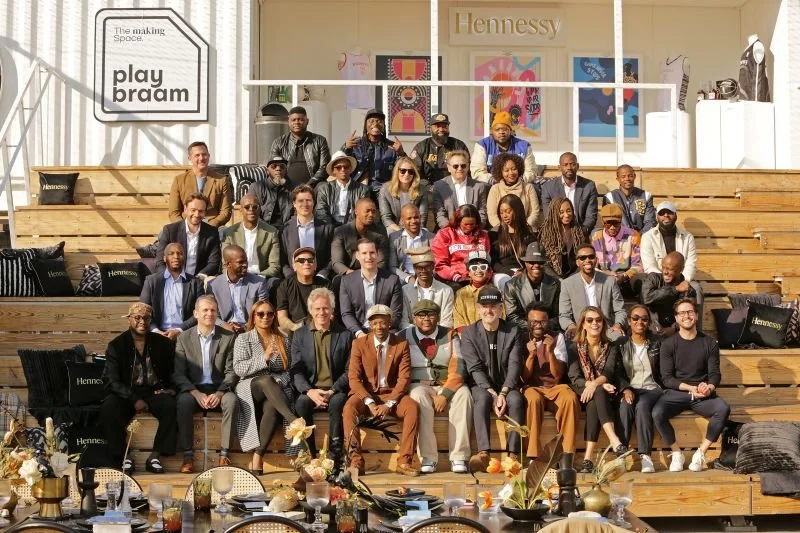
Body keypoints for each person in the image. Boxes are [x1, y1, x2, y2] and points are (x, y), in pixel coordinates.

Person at [654, 298, 730, 472]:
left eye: (689, 312)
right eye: (682, 313)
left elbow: (715, 375)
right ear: (676, 318)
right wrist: (690, 388)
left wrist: (708, 387)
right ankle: (676, 453)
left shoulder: (709, 343)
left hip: (702, 395)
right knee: (657, 412)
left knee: (723, 408)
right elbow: (666, 379)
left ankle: (700, 453)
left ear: (696, 315)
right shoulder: (668, 344)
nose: (686, 316)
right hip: (678, 392)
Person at [343, 304, 420, 476]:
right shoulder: (359, 343)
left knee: (412, 408)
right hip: (367, 393)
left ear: (390, 323)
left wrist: (390, 403)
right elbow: (354, 378)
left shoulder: (401, 344)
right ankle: (356, 462)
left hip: (391, 393)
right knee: (349, 409)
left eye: (383, 322)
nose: (379, 327)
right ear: (369, 325)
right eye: (375, 323)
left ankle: (404, 462)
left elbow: (404, 378)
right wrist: (369, 402)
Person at [100, 302, 176, 475]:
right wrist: (133, 399)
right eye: (137, 318)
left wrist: (171, 388)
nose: (142, 321)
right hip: (126, 392)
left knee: (171, 405)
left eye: (146, 318)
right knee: (109, 407)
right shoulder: (116, 345)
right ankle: (123, 457)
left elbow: (173, 370)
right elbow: (111, 379)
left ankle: (155, 455)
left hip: (154, 390)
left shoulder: (162, 344)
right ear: (129, 320)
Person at [402, 299, 472, 474]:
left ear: (438, 317)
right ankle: (428, 458)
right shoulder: (403, 336)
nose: (426, 319)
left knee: (464, 394)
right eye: (421, 315)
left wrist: (445, 394)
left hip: (445, 383)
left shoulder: (451, 335)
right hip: (418, 384)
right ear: (413, 318)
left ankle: (459, 456)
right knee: (417, 397)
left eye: (431, 314)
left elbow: (459, 366)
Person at [233, 300, 302, 474]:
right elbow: (239, 368)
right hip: (250, 386)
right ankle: (294, 420)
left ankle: (258, 457)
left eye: (270, 314)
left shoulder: (282, 339)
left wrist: (282, 380)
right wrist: (263, 358)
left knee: (272, 407)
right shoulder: (244, 338)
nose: (265, 317)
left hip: (274, 391)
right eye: (261, 314)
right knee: (265, 380)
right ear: (253, 317)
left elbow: (289, 370)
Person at [460, 286, 525, 470]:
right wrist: (492, 393)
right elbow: (474, 367)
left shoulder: (513, 330)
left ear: (501, 308)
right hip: (482, 385)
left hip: (507, 384)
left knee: (517, 401)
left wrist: (503, 392)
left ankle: (513, 455)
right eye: (484, 306)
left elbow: (515, 365)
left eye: (493, 306)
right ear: (478, 308)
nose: (489, 310)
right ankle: (483, 453)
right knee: (481, 399)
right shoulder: (469, 333)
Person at [173, 296, 238, 473]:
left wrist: (219, 393)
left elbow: (231, 372)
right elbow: (179, 374)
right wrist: (195, 393)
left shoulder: (228, 337)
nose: (210, 313)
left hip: (219, 388)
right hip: (194, 389)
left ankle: (224, 455)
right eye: (205, 310)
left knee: (232, 402)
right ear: (195, 314)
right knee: (183, 402)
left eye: (213, 310)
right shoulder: (183, 338)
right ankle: (188, 457)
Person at [290, 288, 353, 463]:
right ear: (310, 311)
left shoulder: (345, 335)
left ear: (332, 310)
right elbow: (295, 370)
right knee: (301, 403)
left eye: (326, 308)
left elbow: (350, 370)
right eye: (317, 309)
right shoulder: (299, 336)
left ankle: (335, 455)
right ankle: (310, 454)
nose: (321, 312)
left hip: (335, 389)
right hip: (311, 389)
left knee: (338, 403)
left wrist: (333, 390)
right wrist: (309, 391)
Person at [567, 307, 627, 473]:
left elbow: (608, 372)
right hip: (581, 391)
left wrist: (596, 385)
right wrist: (593, 384)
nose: (595, 323)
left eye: (598, 320)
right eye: (590, 320)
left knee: (597, 397)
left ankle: (587, 459)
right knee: (598, 391)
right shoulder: (574, 348)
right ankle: (615, 441)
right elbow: (574, 377)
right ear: (583, 325)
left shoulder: (611, 347)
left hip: (602, 395)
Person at [521, 303, 579, 460]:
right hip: (533, 387)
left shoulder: (557, 337)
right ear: (528, 322)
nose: (538, 325)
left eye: (542, 321)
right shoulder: (521, 338)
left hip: (554, 387)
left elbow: (557, 375)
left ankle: (567, 454)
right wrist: (531, 355)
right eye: (534, 321)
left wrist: (551, 352)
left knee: (570, 397)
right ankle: (533, 455)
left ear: (548, 321)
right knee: (532, 399)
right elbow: (523, 377)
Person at [616, 304, 663, 473]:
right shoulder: (621, 344)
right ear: (629, 321)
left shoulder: (657, 342)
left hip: (652, 388)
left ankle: (645, 456)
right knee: (625, 406)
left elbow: (662, 371)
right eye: (635, 318)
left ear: (649, 322)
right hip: (631, 388)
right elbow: (618, 371)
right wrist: (625, 388)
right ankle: (620, 457)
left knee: (642, 406)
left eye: (644, 319)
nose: (640, 322)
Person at [559, 244, 627, 341]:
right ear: (577, 262)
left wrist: (617, 325)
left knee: (619, 338)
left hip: (606, 328)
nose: (587, 260)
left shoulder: (609, 281)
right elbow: (564, 315)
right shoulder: (567, 284)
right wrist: (570, 326)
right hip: (580, 329)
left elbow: (620, 310)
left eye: (591, 257)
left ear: (596, 259)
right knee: (568, 343)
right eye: (582, 258)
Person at [140, 243, 204, 341]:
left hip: (185, 336)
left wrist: (179, 330)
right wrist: (156, 331)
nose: (176, 256)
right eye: (171, 253)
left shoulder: (195, 283)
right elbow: (143, 310)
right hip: (156, 336)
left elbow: (200, 312)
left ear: (184, 257)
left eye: (180, 253)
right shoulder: (151, 281)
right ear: (164, 258)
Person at [339, 239, 403, 336]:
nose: (368, 257)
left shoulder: (392, 280)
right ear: (357, 255)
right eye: (364, 253)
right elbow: (346, 313)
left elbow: (396, 314)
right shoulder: (347, 281)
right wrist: (359, 333)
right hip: (358, 332)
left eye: (372, 252)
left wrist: (380, 329)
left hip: (385, 331)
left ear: (378, 254)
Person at [641, 201, 700, 296]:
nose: (666, 215)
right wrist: (665, 281)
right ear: (657, 217)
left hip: (681, 279)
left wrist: (685, 280)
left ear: (675, 215)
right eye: (662, 213)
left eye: (669, 212)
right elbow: (649, 266)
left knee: (696, 289)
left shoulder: (688, 237)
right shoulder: (648, 237)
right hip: (658, 280)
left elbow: (691, 263)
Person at [156, 193, 221, 278]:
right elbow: (160, 261)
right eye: (193, 210)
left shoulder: (212, 233)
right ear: (185, 209)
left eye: (201, 211)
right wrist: (170, 277)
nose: (197, 214)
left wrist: (199, 277)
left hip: (198, 280)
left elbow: (214, 263)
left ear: (205, 212)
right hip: (172, 278)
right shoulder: (170, 230)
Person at [168, 141, 232, 228]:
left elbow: (226, 211)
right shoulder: (179, 180)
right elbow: (174, 212)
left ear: (209, 156)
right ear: (190, 158)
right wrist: (184, 227)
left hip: (211, 225)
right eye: (197, 155)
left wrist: (212, 225)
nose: (201, 158)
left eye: (204, 154)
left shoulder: (221, 180)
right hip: (186, 224)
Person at [207, 245, 269, 333]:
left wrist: (245, 327)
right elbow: (211, 313)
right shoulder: (213, 285)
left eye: (246, 261)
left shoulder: (259, 283)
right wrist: (224, 325)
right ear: (228, 264)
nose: (245, 265)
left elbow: (263, 312)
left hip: (251, 329)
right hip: (223, 330)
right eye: (240, 262)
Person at [221, 193, 282, 281]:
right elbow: (225, 265)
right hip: (237, 277)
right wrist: (234, 277)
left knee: (274, 282)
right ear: (241, 210)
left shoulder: (271, 232)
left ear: (259, 209)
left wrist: (258, 277)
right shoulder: (230, 233)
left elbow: (275, 266)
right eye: (247, 207)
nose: (251, 210)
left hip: (261, 276)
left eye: (255, 207)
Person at [343, 108, 405, 194]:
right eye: (371, 121)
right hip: (358, 187)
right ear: (365, 125)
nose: (375, 124)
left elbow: (405, 169)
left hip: (383, 190)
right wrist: (346, 148)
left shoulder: (392, 147)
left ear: (384, 126)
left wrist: (401, 154)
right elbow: (338, 163)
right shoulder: (354, 144)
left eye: (379, 121)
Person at [431, 204, 491, 292]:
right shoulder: (445, 234)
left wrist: (480, 276)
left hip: (478, 276)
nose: (469, 227)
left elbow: (487, 262)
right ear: (458, 221)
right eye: (466, 224)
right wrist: (456, 277)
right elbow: (440, 265)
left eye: (472, 224)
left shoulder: (483, 236)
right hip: (453, 278)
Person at [641, 251, 703, 336]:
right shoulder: (653, 279)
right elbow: (647, 298)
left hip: (675, 331)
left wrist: (673, 328)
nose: (665, 272)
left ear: (681, 269)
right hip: (652, 327)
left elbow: (689, 315)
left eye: (669, 269)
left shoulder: (688, 291)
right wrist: (675, 289)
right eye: (663, 268)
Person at [503, 243, 561, 334]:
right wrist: (535, 326)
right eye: (532, 262)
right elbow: (512, 316)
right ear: (526, 263)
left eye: (540, 262)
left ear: (544, 263)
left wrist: (544, 326)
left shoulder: (556, 284)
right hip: (522, 332)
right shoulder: (511, 286)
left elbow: (559, 314)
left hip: (550, 330)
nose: (536, 265)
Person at [269, 106, 331, 188]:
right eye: (293, 120)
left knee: (323, 186)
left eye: (301, 119)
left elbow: (325, 167)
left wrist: (308, 185)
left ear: (307, 121)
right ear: (288, 122)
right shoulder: (279, 142)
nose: (297, 122)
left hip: (313, 186)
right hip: (286, 186)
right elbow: (273, 168)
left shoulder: (319, 140)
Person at [281, 184, 334, 280]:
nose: (305, 204)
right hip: (293, 280)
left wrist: (322, 275)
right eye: (300, 201)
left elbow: (331, 258)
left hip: (319, 278)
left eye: (308, 200)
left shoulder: (326, 228)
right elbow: (282, 260)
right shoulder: (285, 229)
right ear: (294, 203)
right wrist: (290, 277)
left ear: (314, 202)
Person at [591, 203, 642, 298]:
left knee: (641, 280)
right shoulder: (597, 237)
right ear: (602, 222)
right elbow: (593, 266)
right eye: (608, 224)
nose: (612, 227)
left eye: (616, 223)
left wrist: (623, 276)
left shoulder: (633, 235)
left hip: (627, 278)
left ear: (621, 220)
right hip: (604, 277)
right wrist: (607, 274)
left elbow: (638, 265)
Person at [540, 152, 598, 235]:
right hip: (558, 232)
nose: (569, 167)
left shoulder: (588, 186)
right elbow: (549, 215)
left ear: (577, 166)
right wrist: (562, 233)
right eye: (565, 164)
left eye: (572, 164)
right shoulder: (548, 187)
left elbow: (591, 216)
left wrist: (579, 234)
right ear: (559, 167)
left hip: (582, 231)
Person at [470, 111, 536, 184]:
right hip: (491, 186)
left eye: (505, 129)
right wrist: (499, 182)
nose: (501, 132)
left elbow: (531, 172)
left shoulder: (524, 146)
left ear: (510, 131)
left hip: (518, 185)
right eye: (497, 129)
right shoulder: (482, 145)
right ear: (492, 131)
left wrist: (515, 181)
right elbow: (477, 172)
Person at [330, 199, 390, 277]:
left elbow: (382, 261)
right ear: (356, 212)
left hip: (373, 274)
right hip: (349, 275)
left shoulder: (380, 231)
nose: (371, 214)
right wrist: (350, 273)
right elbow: (337, 262)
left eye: (373, 211)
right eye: (367, 211)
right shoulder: (341, 231)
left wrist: (367, 275)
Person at [489, 194, 537, 291]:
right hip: (502, 273)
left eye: (508, 211)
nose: (504, 216)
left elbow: (534, 259)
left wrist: (524, 271)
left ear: (517, 211)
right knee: (507, 283)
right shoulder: (494, 233)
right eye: (501, 212)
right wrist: (509, 272)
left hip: (524, 271)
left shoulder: (529, 234)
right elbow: (494, 261)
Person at [276, 247, 330, 333]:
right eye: (301, 261)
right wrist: (296, 328)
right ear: (294, 266)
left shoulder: (325, 285)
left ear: (315, 265)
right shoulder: (285, 285)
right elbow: (282, 317)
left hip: (320, 327)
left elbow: (331, 314)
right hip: (294, 330)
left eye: (310, 260)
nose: (306, 263)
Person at [432, 150, 490, 229]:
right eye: (455, 166)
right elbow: (440, 215)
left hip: (473, 231)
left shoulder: (479, 187)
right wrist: (452, 232)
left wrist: (474, 230)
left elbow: (482, 214)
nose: (460, 169)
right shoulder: (439, 186)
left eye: (463, 166)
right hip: (449, 232)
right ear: (449, 168)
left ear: (468, 166)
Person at [399, 248, 455, 329]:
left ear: (433, 267)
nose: (423, 271)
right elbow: (404, 322)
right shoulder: (405, 290)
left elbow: (446, 322)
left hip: (439, 335)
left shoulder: (446, 290)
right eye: (419, 268)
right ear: (414, 269)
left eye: (427, 267)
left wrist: (433, 334)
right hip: (412, 335)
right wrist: (417, 334)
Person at [408, 113, 469, 185]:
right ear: (430, 128)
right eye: (437, 126)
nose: (441, 129)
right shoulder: (421, 147)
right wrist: (428, 187)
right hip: (428, 190)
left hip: (454, 188)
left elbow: (467, 170)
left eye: (444, 126)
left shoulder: (459, 146)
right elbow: (415, 171)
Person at [315, 151, 370, 227]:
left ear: (350, 168)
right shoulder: (324, 189)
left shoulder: (363, 189)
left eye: (346, 167)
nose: (342, 169)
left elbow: (363, 212)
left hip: (353, 228)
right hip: (331, 227)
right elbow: (321, 211)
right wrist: (330, 227)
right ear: (333, 170)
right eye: (338, 167)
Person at [486, 153, 541, 229]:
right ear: (500, 172)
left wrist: (524, 227)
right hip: (501, 231)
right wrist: (504, 229)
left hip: (525, 230)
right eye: (506, 170)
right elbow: (492, 215)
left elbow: (534, 212)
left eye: (514, 169)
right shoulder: (495, 189)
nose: (511, 173)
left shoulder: (528, 187)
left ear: (519, 169)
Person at [538, 198, 587, 280]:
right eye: (561, 212)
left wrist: (571, 279)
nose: (566, 215)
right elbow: (544, 263)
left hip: (574, 277)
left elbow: (582, 259)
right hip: (552, 278)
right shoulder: (545, 233)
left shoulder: (579, 232)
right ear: (554, 213)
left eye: (569, 211)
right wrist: (558, 279)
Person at [378, 157, 428, 233]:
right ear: (397, 171)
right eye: (403, 171)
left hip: (415, 227)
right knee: (390, 231)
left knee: (425, 233)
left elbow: (422, 216)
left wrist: (412, 232)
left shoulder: (421, 190)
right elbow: (386, 217)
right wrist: (401, 231)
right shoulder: (385, 189)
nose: (406, 174)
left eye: (410, 171)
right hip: (394, 227)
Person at [388, 204, 435, 285]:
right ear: (402, 221)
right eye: (409, 218)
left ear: (420, 218)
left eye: (416, 217)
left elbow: (435, 263)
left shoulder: (431, 238)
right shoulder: (394, 238)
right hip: (404, 278)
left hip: (427, 276)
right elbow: (392, 267)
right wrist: (408, 278)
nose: (413, 221)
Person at [603, 164, 656, 233]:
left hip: (642, 237)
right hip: (619, 237)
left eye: (630, 176)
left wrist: (640, 236)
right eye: (623, 177)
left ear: (634, 176)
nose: (627, 179)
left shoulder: (646, 195)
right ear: (618, 179)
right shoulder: (610, 197)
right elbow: (610, 222)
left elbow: (650, 221)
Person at [453, 251, 498, 330]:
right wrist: (469, 337)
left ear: (488, 272)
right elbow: (458, 320)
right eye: (474, 268)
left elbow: (499, 318)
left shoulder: (495, 292)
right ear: (469, 272)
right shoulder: (460, 293)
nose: (479, 271)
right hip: (466, 337)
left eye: (483, 267)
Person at [248, 157, 293, 231]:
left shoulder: (294, 188)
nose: (278, 169)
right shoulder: (256, 187)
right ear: (267, 171)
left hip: (287, 229)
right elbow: (252, 212)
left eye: (282, 166)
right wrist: (268, 230)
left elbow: (297, 213)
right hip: (263, 229)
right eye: (274, 166)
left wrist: (287, 229)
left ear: (286, 170)